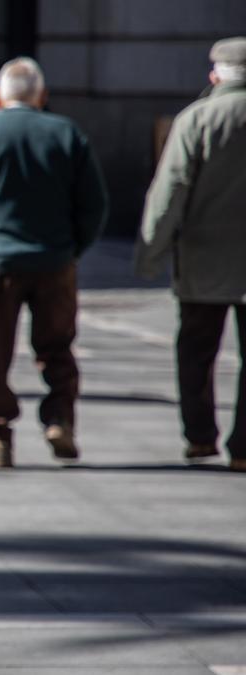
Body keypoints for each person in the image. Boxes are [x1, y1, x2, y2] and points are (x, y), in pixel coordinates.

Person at [0, 57, 108, 470]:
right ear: (42, 96)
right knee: (57, 346)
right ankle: (60, 418)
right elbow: (95, 205)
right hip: (55, 262)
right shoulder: (67, 135)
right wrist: (74, 248)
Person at [135, 37, 246, 473]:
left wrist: (150, 253)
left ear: (215, 74)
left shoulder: (196, 119)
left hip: (202, 262)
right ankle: (244, 448)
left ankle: (200, 438)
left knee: (196, 350)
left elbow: (170, 193)